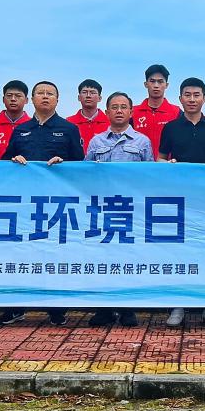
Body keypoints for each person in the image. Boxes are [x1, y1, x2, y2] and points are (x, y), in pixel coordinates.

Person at [0, 81, 86, 327]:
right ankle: (16, 307)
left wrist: (64, 163)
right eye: (40, 93)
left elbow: (81, 166)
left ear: (57, 100)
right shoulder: (21, 130)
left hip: (58, 206)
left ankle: (56, 308)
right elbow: (4, 164)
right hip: (25, 205)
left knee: (56, 255)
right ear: (32, 99)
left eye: (50, 94)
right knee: (22, 254)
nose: (45, 97)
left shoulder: (69, 129)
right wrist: (14, 160)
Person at [158, 77, 205, 328]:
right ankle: (178, 304)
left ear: (204, 99)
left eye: (196, 95)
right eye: (187, 95)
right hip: (179, 199)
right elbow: (160, 158)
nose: (191, 99)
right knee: (180, 250)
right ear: (180, 98)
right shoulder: (171, 128)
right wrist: (169, 166)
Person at [84, 92, 152, 328]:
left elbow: (150, 177)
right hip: (102, 209)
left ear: (131, 112)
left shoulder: (142, 142)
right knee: (102, 257)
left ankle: (127, 308)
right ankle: (103, 308)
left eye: (124, 107)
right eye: (114, 107)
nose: (119, 111)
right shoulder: (96, 142)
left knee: (129, 258)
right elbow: (85, 175)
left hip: (130, 210)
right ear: (107, 111)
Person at [132, 64, 180, 156]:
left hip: (167, 163)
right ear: (146, 84)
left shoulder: (177, 112)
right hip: (139, 163)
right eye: (152, 81)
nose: (156, 85)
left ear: (166, 85)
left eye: (160, 82)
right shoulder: (133, 113)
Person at [0, 80, 31, 159]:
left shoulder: (32, 125)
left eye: (18, 96)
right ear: (3, 99)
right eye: (9, 95)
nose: (13, 99)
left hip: (24, 167)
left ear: (26, 100)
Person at [68, 78, 109, 151]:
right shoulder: (69, 122)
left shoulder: (110, 123)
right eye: (84, 92)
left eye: (92, 92)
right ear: (79, 97)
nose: (88, 96)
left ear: (100, 98)